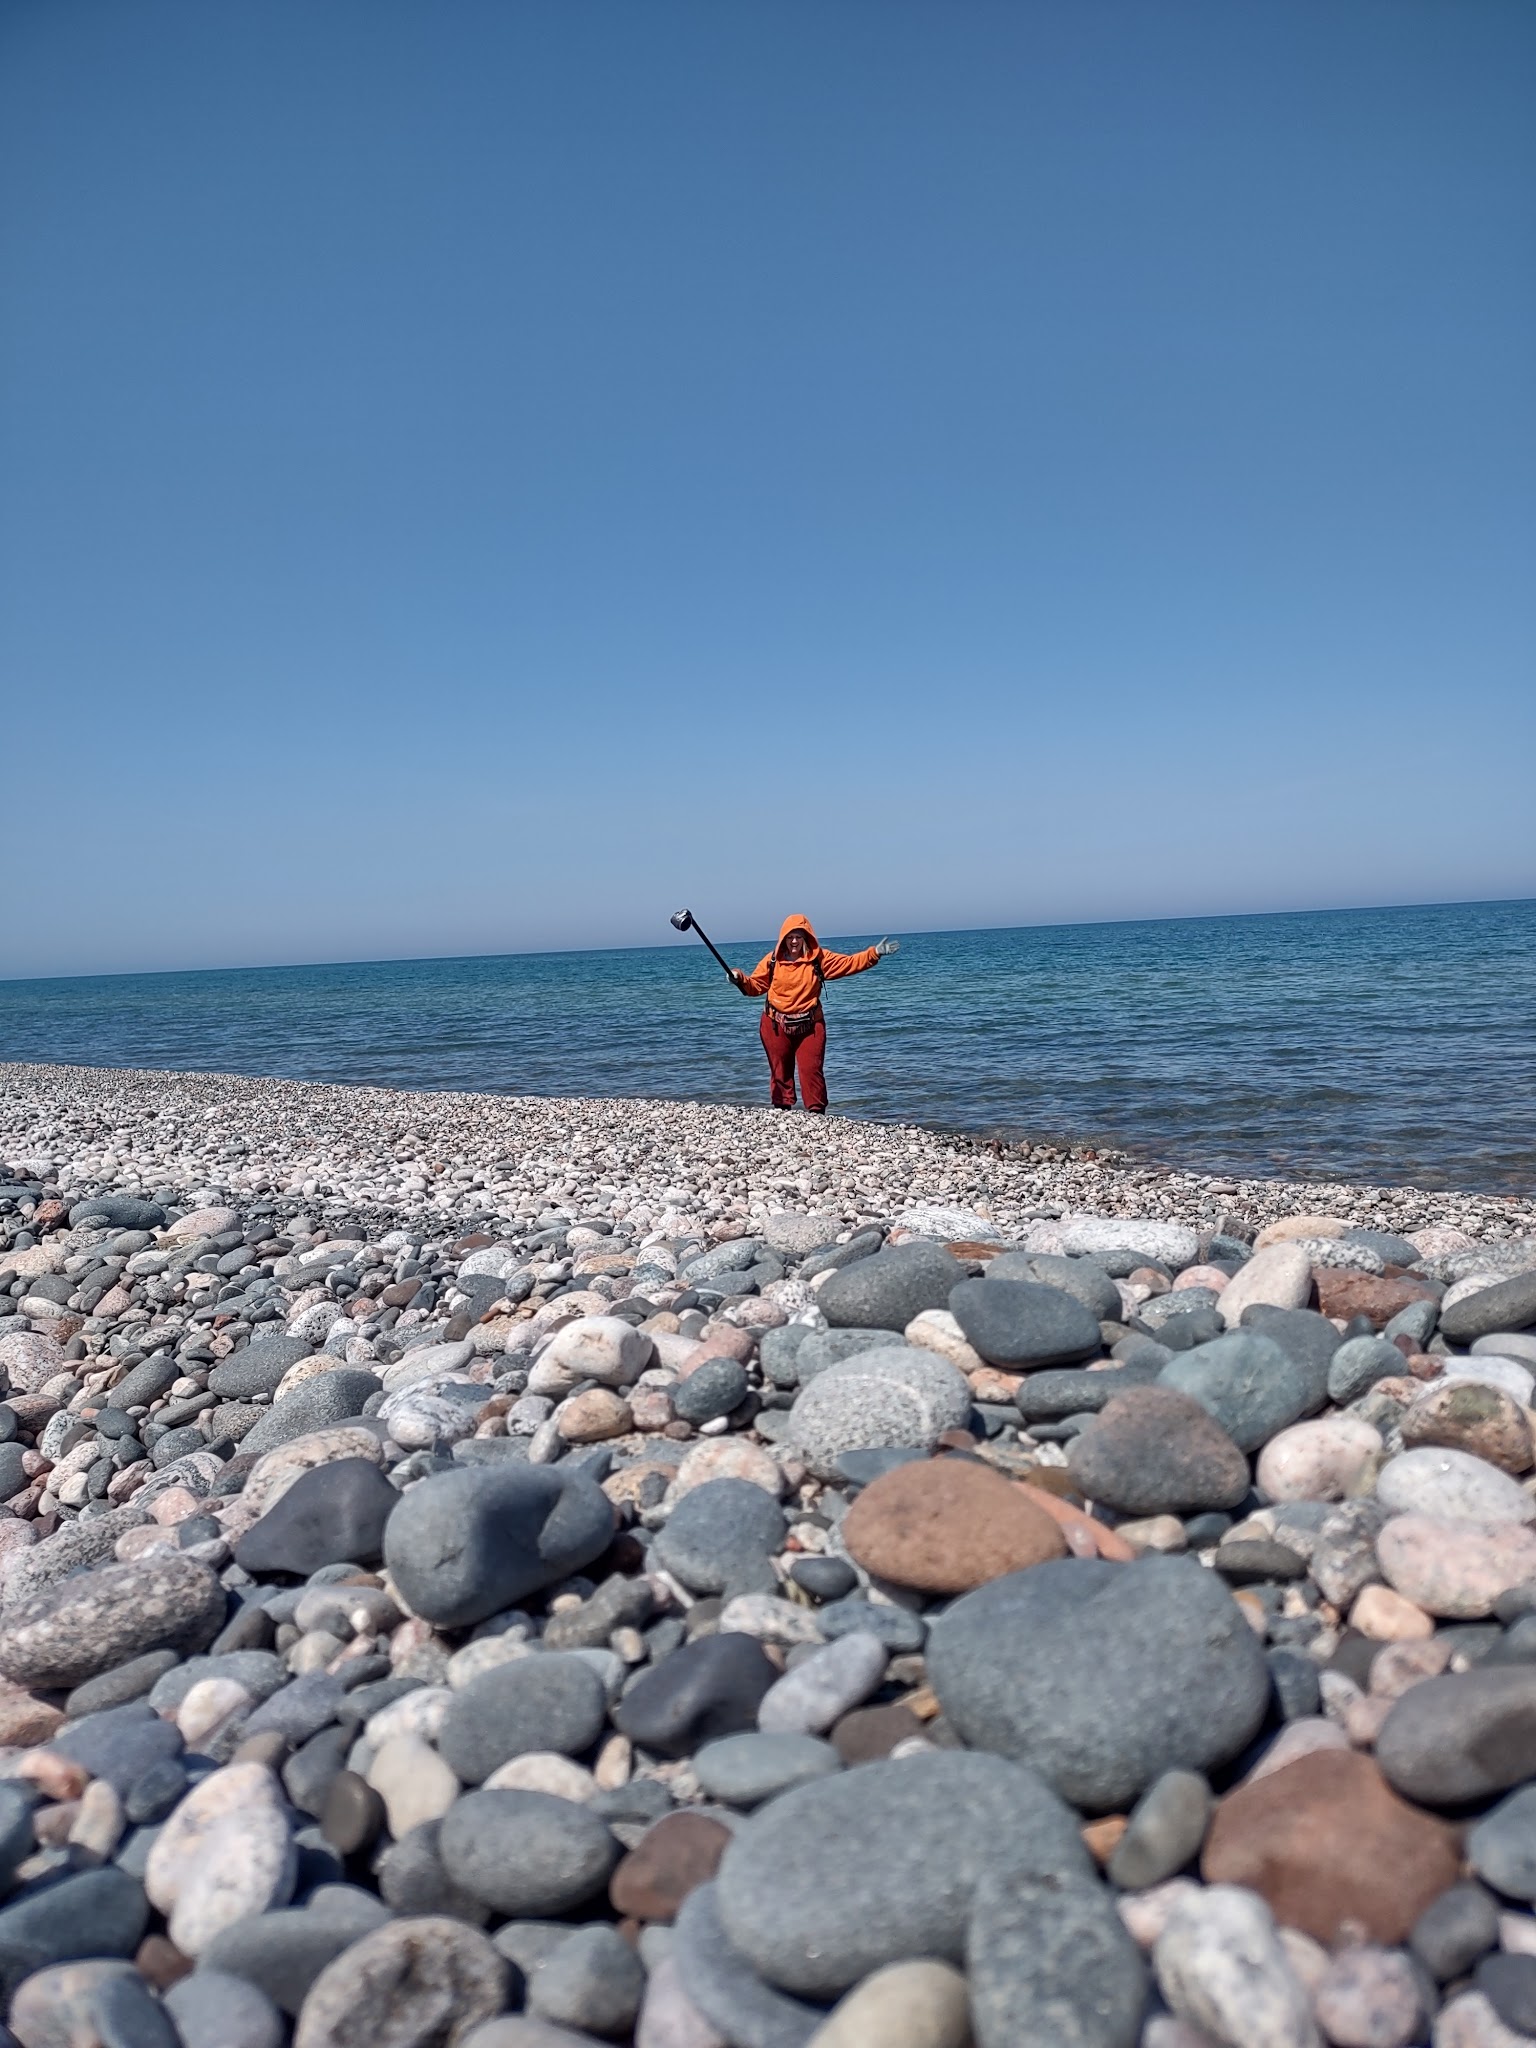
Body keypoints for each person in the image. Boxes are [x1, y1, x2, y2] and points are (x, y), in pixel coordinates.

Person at [731, 913, 897, 1112]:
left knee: (811, 1070)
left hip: (810, 1024)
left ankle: (817, 1114)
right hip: (775, 1023)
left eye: (798, 936)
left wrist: (874, 953)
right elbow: (755, 986)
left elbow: (849, 963)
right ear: (783, 938)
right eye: (790, 936)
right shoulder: (772, 960)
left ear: (806, 938)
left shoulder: (819, 959)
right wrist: (739, 978)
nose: (794, 941)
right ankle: (781, 1113)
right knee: (780, 1071)